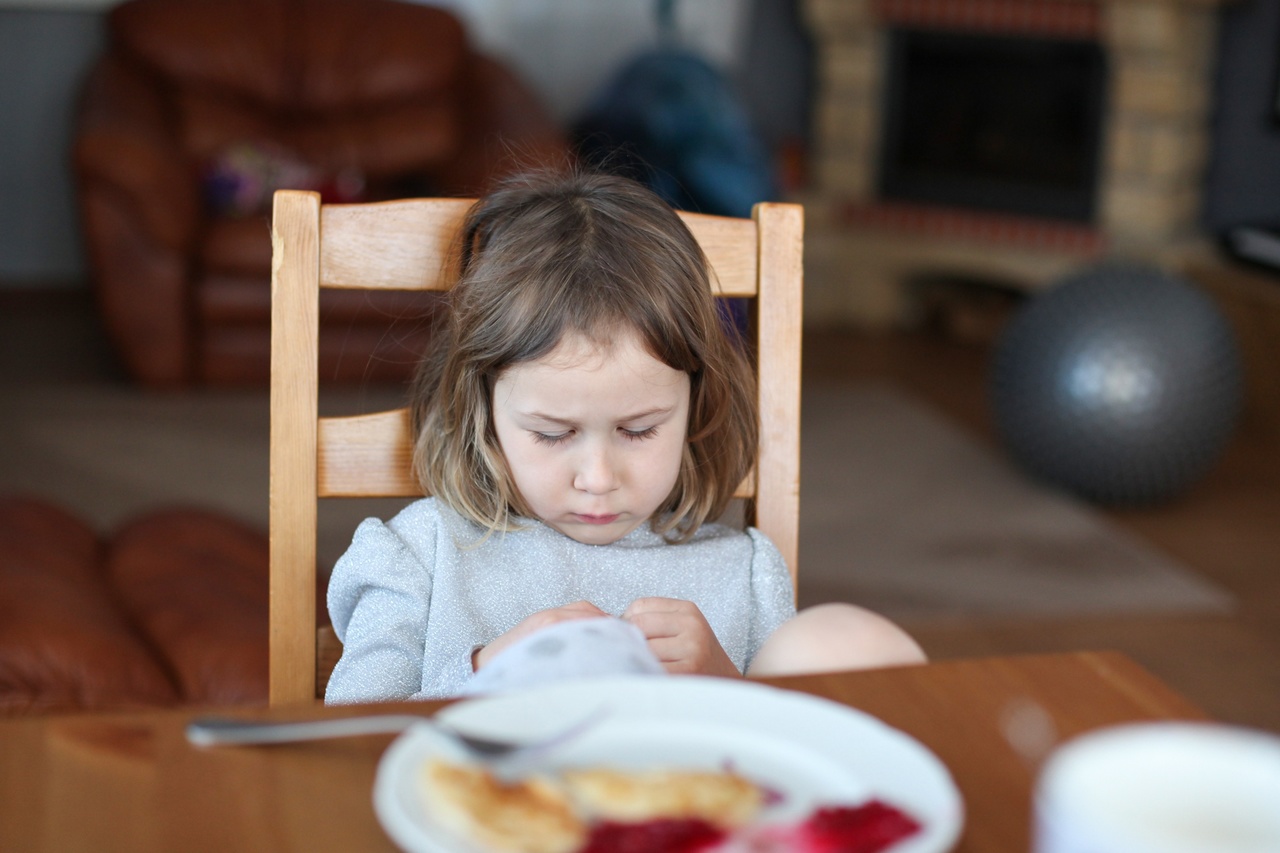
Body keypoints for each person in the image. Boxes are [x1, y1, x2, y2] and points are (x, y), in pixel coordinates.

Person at [325, 170, 924, 704]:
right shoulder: (419, 558)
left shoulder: (741, 573)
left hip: (692, 819)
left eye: (638, 430)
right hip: (490, 817)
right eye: (552, 434)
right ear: (482, 411)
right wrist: (484, 672)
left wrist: (724, 683)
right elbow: (347, 735)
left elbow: (784, 747)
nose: (598, 479)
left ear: (695, 403)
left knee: (844, 638)